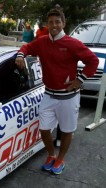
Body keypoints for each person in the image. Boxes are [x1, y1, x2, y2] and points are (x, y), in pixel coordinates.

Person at [15, 6, 99, 175]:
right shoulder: (42, 41)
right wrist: (20, 55)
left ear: (63, 23)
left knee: (67, 130)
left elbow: (93, 61)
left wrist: (79, 80)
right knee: (44, 129)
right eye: (51, 22)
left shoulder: (72, 43)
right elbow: (27, 47)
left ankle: (60, 158)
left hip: (69, 97)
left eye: (57, 22)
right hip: (49, 94)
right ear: (47, 24)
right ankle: (51, 155)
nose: (54, 25)